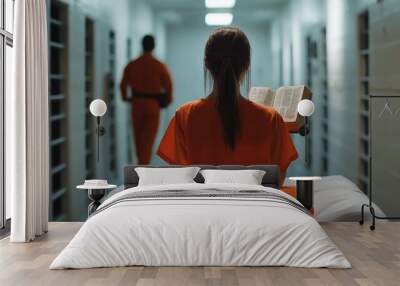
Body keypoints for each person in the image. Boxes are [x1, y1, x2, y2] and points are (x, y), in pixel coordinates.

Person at [157, 27, 297, 184]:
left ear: (206, 64)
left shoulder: (184, 116)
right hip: (255, 208)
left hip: (199, 207)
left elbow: (179, 177)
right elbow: (277, 179)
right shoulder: (271, 119)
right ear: (247, 64)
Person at [120, 35, 173, 165]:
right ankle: (144, 166)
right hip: (153, 105)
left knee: (137, 139)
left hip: (137, 103)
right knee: (148, 141)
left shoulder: (132, 65)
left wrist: (126, 98)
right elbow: (168, 86)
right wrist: (167, 101)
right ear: (153, 46)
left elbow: (122, 84)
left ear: (142, 45)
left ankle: (140, 164)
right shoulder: (159, 65)